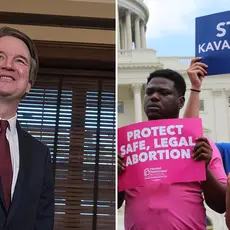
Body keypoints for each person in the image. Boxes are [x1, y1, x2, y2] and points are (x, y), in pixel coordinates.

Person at [118, 66, 227, 230]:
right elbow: (116, 202)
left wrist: (204, 168)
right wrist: (115, 175)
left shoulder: (201, 146)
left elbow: (222, 205)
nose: (154, 97)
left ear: (181, 101)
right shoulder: (128, 147)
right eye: (149, 93)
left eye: (163, 93)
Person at [0, 26, 54, 230]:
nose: (8, 66)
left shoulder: (39, 155)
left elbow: (42, 222)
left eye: (19, 61)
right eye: (0, 57)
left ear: (29, 83)